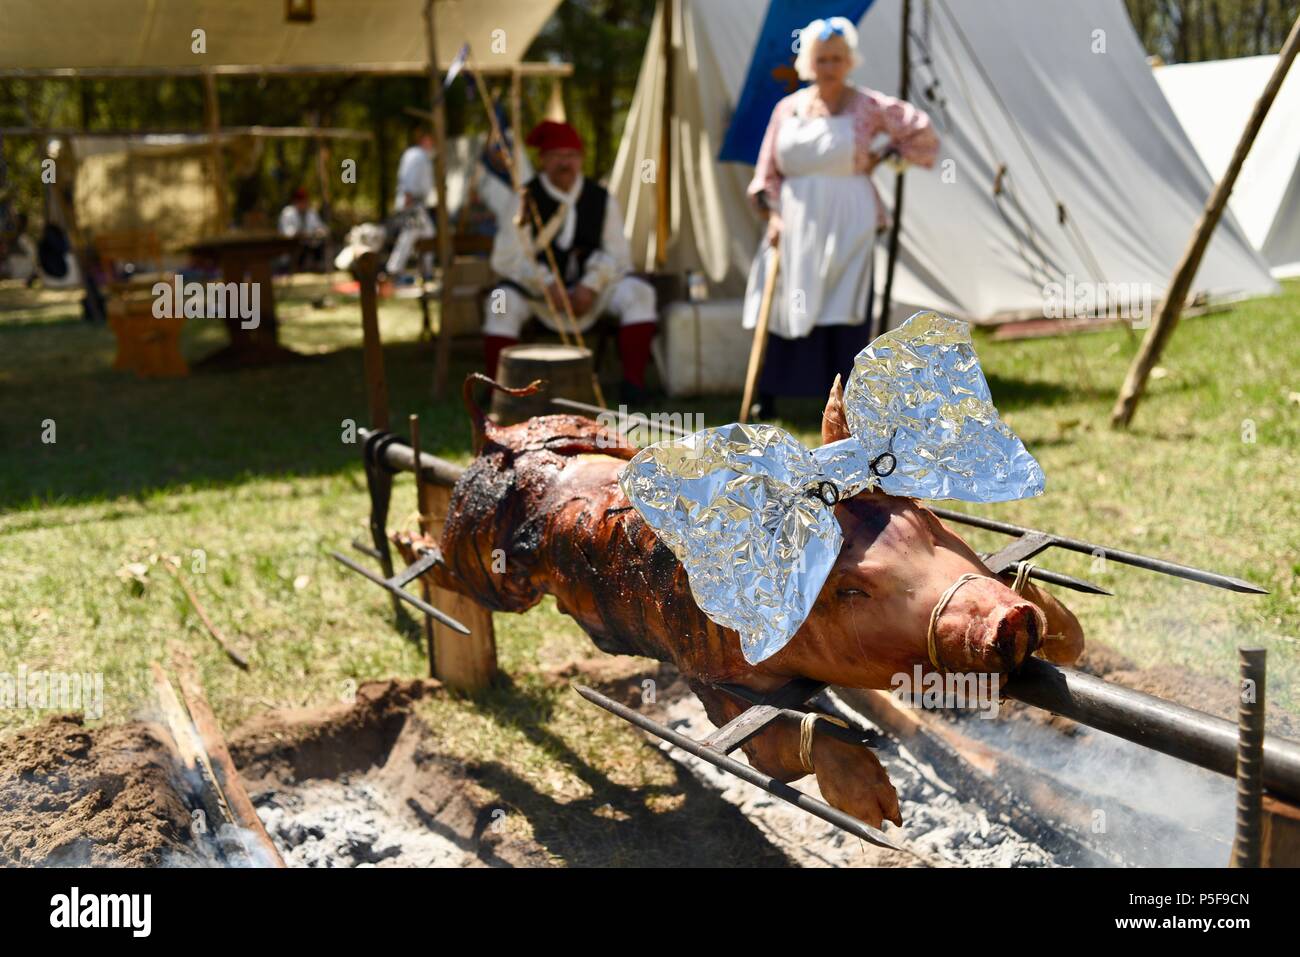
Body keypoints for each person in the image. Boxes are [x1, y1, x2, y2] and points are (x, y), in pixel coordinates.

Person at [744, 16, 938, 418]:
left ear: (849, 62)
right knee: (789, 297)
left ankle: (846, 399)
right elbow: (766, 173)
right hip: (795, 216)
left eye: (836, 59)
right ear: (808, 63)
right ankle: (773, 394)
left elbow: (923, 134)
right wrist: (774, 216)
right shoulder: (787, 109)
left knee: (842, 300)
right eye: (821, 59)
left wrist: (885, 155)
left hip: (850, 214)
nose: (829, 67)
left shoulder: (867, 105)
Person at [483, 120, 658, 402]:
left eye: (571, 156)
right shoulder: (522, 199)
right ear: (543, 160)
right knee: (499, 301)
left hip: (589, 294)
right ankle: (499, 391)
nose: (565, 163)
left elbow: (619, 255)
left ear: (581, 159)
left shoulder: (601, 198)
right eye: (556, 156)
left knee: (640, 293)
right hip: (537, 295)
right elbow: (507, 257)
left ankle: (633, 385)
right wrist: (547, 284)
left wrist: (591, 284)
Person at [387, 126, 436, 276]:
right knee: (411, 236)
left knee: (425, 234)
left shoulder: (420, 155)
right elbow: (408, 176)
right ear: (424, 140)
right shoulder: (416, 155)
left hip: (416, 202)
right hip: (412, 202)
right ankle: (395, 269)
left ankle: (425, 269)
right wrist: (408, 196)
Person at [277, 187, 328, 271]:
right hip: (292, 246)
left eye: (305, 201)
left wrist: (320, 231)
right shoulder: (287, 213)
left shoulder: (311, 213)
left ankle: (316, 266)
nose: (304, 204)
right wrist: (300, 233)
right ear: (296, 202)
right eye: (302, 201)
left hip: (310, 244)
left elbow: (320, 227)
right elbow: (287, 232)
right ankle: (297, 267)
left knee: (318, 245)